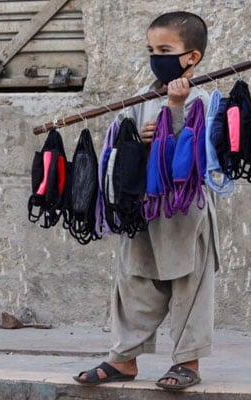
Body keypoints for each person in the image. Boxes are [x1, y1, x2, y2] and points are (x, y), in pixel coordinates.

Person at [74, 11, 218, 390]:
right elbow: (120, 143)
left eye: (166, 49)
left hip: (185, 212)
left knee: (190, 283)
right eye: (151, 49)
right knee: (133, 280)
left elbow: (197, 156)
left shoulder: (202, 98)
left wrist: (174, 113)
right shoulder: (142, 98)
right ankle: (123, 360)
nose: (156, 56)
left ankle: (188, 362)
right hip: (143, 209)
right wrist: (139, 136)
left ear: (192, 57)